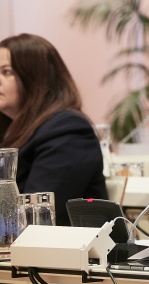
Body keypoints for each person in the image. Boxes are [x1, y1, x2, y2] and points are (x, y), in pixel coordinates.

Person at [0, 34, 107, 226]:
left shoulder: (67, 130)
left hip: (65, 245)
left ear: (36, 78)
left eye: (6, 72)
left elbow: (35, 216)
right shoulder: (9, 126)